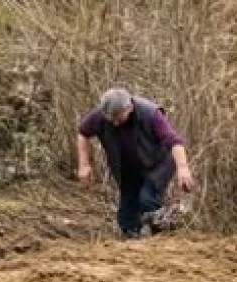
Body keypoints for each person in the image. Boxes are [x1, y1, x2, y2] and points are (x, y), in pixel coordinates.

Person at [76, 88, 195, 237]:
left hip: (158, 164)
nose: (114, 122)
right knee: (126, 220)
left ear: (129, 108)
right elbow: (83, 133)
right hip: (128, 168)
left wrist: (182, 168)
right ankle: (135, 241)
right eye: (110, 118)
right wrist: (84, 164)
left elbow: (175, 142)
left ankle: (159, 236)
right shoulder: (100, 116)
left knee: (147, 199)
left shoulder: (150, 113)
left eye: (117, 117)